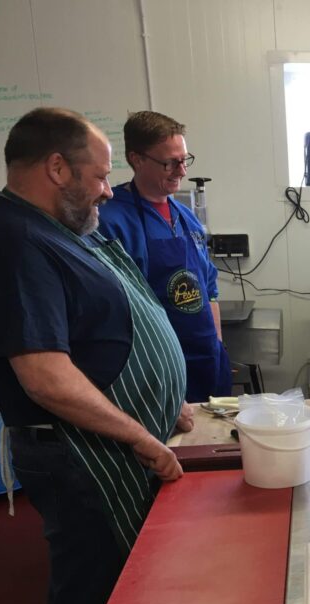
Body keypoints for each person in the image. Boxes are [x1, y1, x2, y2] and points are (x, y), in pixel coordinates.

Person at [0, 107, 188, 604]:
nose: (108, 191)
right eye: (102, 175)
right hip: (82, 459)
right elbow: (46, 377)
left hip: (108, 446)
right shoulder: (12, 240)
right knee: (92, 601)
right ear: (57, 167)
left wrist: (167, 400)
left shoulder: (57, 228)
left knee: (125, 595)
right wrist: (140, 435)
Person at [98, 110, 231, 403]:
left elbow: (209, 289)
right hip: (156, 371)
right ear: (137, 159)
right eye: (170, 163)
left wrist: (216, 346)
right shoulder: (111, 220)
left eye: (185, 160)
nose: (182, 171)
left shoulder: (187, 219)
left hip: (205, 359)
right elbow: (116, 310)